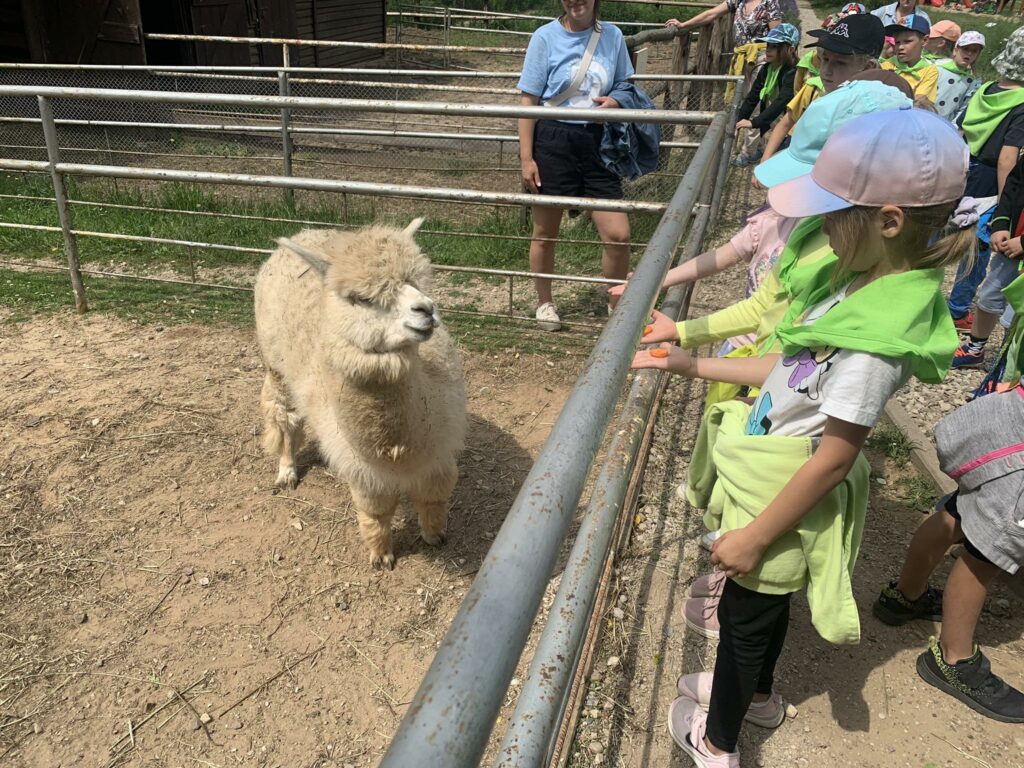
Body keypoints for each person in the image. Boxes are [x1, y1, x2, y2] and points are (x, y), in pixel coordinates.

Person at [637, 108, 969, 768]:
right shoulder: (852, 287)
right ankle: (756, 695)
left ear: (889, 220)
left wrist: (754, 535)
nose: (815, 228)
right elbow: (787, 369)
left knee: (743, 616)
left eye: (831, 213)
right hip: (774, 470)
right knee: (761, 610)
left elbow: (834, 458)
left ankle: (717, 742)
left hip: (783, 492)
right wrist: (688, 361)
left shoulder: (872, 346)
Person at [874, 380, 1024, 723]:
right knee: (986, 556)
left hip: (1007, 433)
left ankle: (905, 596)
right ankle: (954, 659)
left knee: (957, 513)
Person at [517, 0, 635, 332]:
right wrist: (527, 158)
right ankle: (545, 303)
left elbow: (625, 83)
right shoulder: (544, 37)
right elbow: (528, 98)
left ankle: (616, 304)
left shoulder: (611, 36)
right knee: (545, 231)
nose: (575, 1)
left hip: (599, 140)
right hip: (553, 138)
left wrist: (616, 100)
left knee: (618, 234)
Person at [948, 27, 1024, 364]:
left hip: (967, 167)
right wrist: (1006, 204)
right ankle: (958, 307)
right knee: (978, 250)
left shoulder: (986, 89)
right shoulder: (1021, 104)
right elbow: (1009, 157)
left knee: (949, 235)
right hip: (995, 179)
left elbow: (962, 128)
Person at [758, 13, 885, 169]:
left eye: (840, 63)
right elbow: (786, 122)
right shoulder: (813, 88)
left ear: (868, 67)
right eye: (825, 59)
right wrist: (766, 158)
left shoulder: (881, 110)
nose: (826, 70)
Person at [666, 0, 783, 100]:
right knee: (740, 98)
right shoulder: (738, 1)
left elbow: (776, 35)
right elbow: (711, 14)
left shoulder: (769, 3)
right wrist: (683, 25)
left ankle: (757, 124)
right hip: (741, 57)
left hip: (761, 57)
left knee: (756, 96)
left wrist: (774, 60)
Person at [733, 23, 800, 166]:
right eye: (768, 45)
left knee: (784, 154)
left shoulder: (792, 72)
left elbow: (782, 101)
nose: (768, 50)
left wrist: (755, 122)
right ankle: (761, 152)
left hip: (793, 119)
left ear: (790, 49)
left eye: (775, 47)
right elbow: (754, 95)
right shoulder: (767, 68)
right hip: (777, 115)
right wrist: (739, 119)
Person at [882, 18, 940, 105]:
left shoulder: (930, 71)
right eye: (897, 42)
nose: (900, 47)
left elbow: (918, 103)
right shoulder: (885, 66)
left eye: (907, 41)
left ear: (924, 40)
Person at [934, 30, 984, 122]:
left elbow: (964, 107)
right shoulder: (936, 68)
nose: (969, 53)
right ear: (956, 50)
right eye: (965, 49)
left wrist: (954, 127)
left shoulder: (972, 81)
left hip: (945, 124)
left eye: (974, 51)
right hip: (924, 116)